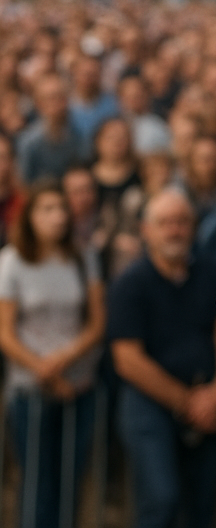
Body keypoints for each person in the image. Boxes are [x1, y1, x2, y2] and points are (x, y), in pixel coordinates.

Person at [107, 187, 216, 528]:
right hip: (149, 406)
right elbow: (128, 360)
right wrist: (188, 403)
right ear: (146, 230)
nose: (174, 230)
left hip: (210, 401)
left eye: (182, 222)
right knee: (161, 501)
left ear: (194, 227)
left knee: (203, 507)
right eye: (165, 222)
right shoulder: (129, 284)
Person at [0, 182, 105, 528]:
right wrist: (43, 369)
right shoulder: (12, 261)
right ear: (29, 216)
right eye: (47, 209)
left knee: (70, 481)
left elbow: (96, 321)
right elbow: (5, 332)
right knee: (36, 482)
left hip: (77, 384)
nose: (58, 216)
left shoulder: (83, 256)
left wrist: (64, 361)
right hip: (30, 387)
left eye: (61, 208)